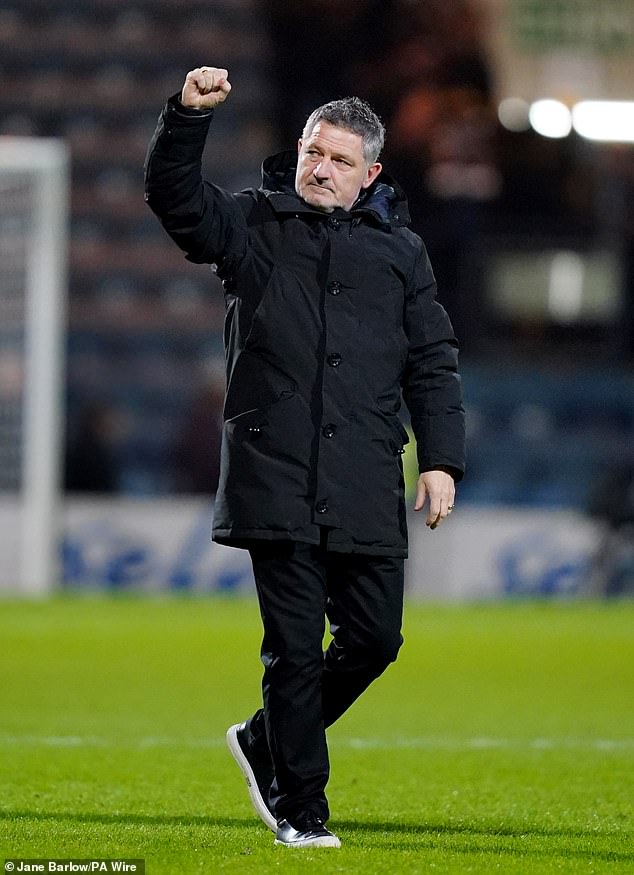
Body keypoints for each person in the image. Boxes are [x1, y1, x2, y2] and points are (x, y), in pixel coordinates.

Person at [145, 66, 466, 849]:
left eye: (341, 160)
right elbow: (176, 200)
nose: (322, 169)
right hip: (275, 471)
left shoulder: (403, 254)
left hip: (363, 474)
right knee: (292, 648)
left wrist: (441, 459)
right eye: (313, 153)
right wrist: (186, 115)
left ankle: (263, 739)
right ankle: (301, 808)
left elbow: (432, 360)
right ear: (298, 151)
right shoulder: (253, 224)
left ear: (372, 174)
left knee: (375, 641)